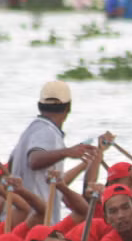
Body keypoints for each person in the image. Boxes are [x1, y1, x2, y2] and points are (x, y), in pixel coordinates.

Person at [8, 80, 98, 222]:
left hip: (22, 219)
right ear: (68, 107)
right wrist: (67, 152)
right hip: (38, 222)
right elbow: (34, 160)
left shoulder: (29, 131)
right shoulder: (47, 132)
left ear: (39, 106)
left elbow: (11, 164)